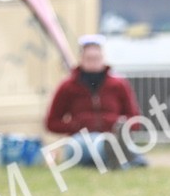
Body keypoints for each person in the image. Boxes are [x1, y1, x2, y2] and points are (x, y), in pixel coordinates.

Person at [44, 34, 147, 169]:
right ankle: (119, 156)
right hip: (80, 139)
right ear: (81, 59)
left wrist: (115, 122)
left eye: (97, 58)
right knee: (93, 144)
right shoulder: (68, 87)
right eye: (89, 59)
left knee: (107, 141)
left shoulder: (119, 85)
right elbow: (51, 123)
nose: (93, 63)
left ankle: (116, 155)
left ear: (103, 58)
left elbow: (135, 121)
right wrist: (76, 124)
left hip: (110, 134)